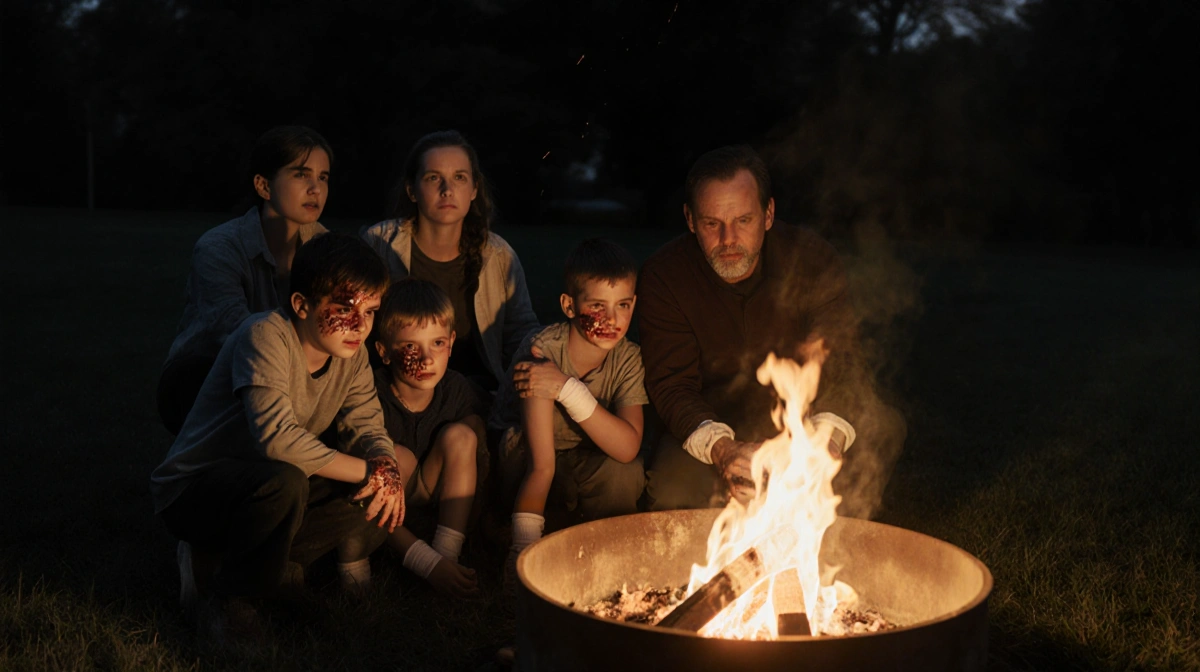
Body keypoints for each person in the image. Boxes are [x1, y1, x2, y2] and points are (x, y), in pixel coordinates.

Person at [150, 233, 404, 642]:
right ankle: (232, 601)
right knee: (286, 481)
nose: (360, 327)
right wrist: (369, 469)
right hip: (199, 488)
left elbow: (369, 425)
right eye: (345, 310)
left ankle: (258, 569)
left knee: (370, 501)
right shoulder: (265, 336)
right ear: (302, 305)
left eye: (371, 312)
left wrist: (385, 466)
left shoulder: (352, 355)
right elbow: (276, 439)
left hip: (272, 481)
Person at [639, 145, 870, 510]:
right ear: (689, 219)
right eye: (712, 223)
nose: (728, 240)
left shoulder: (812, 260)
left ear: (768, 214)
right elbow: (671, 385)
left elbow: (843, 360)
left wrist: (823, 445)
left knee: (857, 474)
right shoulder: (664, 278)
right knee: (672, 494)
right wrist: (723, 449)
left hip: (800, 418)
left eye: (743, 221)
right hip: (708, 418)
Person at [157, 125, 333, 435]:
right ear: (264, 186)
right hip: (208, 376)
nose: (315, 188)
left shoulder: (323, 246)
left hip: (293, 372)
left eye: (323, 177)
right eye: (301, 174)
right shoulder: (220, 247)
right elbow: (233, 331)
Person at [491, 239, 648, 569]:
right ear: (569, 305)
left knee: (625, 473)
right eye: (596, 306)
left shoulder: (628, 358)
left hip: (581, 458)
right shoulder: (543, 353)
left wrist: (565, 388)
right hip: (526, 460)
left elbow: (628, 447)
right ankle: (520, 544)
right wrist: (522, 555)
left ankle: (611, 558)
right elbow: (541, 465)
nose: (610, 319)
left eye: (622, 305)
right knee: (536, 473)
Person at [361, 130, 539, 395]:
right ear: (412, 190)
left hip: (476, 393)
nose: (447, 190)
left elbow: (521, 332)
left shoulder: (498, 255)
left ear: (474, 189)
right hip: (395, 391)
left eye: (459, 177)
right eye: (434, 178)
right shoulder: (379, 244)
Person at [366, 279, 488, 597]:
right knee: (392, 455)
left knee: (463, 434)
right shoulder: (369, 394)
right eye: (410, 347)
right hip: (387, 508)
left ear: (450, 342)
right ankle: (422, 561)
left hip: (436, 493)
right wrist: (423, 561)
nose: (427, 359)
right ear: (384, 352)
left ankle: (448, 554)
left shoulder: (457, 389)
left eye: (436, 343)